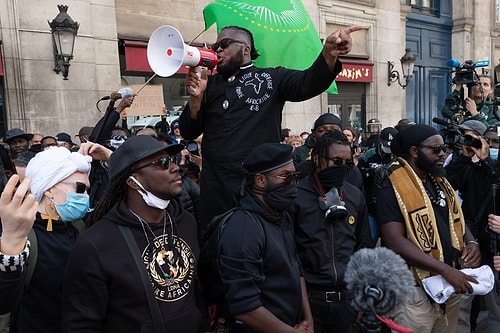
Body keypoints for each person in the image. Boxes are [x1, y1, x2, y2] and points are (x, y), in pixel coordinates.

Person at [180, 24, 363, 231]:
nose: (218, 50)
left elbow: (308, 82)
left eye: (224, 44)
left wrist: (328, 54)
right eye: (216, 46)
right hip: (216, 191)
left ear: (246, 49)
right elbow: (188, 131)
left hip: (258, 189)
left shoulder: (271, 78)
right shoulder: (209, 84)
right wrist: (196, 99)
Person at [62, 135, 202, 332]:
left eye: (171, 159)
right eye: (161, 163)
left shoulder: (186, 222)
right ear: (133, 182)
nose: (174, 167)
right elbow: (82, 323)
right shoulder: (96, 243)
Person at [374, 124, 482, 333]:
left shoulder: (438, 181)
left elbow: (455, 217)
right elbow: (394, 240)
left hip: (448, 286)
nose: (442, 154)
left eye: (443, 148)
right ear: (414, 152)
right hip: (415, 292)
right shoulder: (392, 187)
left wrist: (472, 242)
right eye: (435, 149)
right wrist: (446, 270)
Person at [212, 142, 311, 332]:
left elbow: (296, 269)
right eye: (285, 177)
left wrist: (308, 319)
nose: (293, 183)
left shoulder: (281, 216)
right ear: (260, 180)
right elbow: (245, 307)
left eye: (295, 176)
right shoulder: (243, 227)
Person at [0, 146, 92, 333]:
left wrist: (110, 157)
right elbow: (4, 301)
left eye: (87, 190)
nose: (86, 197)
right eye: (80, 188)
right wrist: (10, 245)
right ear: (50, 189)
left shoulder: (79, 227)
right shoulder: (21, 233)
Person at [294, 130, 373, 333]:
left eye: (348, 163)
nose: (343, 168)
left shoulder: (354, 196)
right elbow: (289, 253)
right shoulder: (295, 196)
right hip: (308, 301)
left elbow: (363, 248)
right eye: (337, 161)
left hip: (347, 302)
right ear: (318, 160)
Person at [445, 119, 500, 333]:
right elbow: (446, 185)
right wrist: (464, 157)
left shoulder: (490, 167)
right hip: (470, 244)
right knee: (461, 309)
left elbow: (495, 184)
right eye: (490, 141)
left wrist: (486, 161)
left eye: (498, 143)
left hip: (495, 248)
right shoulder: (470, 167)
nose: (493, 147)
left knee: (496, 311)